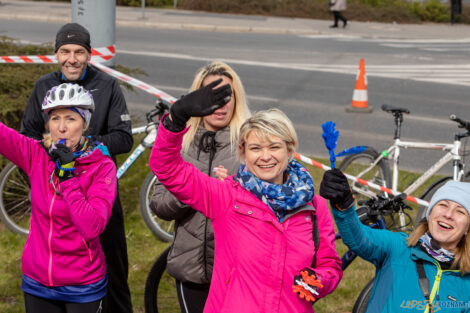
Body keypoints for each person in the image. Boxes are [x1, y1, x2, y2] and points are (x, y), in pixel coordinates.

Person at [149, 79, 343, 312]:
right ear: (242, 152)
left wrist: (319, 281)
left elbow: (329, 265)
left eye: (274, 147)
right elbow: (168, 169)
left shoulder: (315, 206)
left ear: (290, 150)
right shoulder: (225, 196)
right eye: (255, 148)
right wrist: (176, 119)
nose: (265, 156)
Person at [20, 23, 133, 313]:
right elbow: (28, 134)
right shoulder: (43, 86)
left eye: (79, 52)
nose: (72, 58)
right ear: (56, 54)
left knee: (116, 273)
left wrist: (85, 148)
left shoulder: (107, 85)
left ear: (89, 54)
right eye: (65, 51)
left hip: (97, 189)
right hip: (56, 191)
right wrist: (49, 151)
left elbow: (123, 137)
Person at [0, 83, 116, 312]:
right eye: (55, 118)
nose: (61, 128)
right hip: (37, 282)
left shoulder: (102, 167)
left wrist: (68, 177)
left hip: (82, 286)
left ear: (85, 124)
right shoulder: (37, 155)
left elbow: (91, 228)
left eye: (71, 119)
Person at [149, 61, 251, 313]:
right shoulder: (180, 145)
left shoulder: (251, 145)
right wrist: (192, 191)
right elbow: (159, 204)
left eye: (227, 95)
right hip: (190, 269)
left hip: (236, 270)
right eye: (211, 95)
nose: (221, 104)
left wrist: (233, 192)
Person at [320, 170, 470, 313]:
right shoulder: (399, 247)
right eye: (443, 205)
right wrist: (344, 206)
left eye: (460, 211)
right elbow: (358, 238)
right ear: (430, 213)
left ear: (467, 229)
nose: (448, 214)